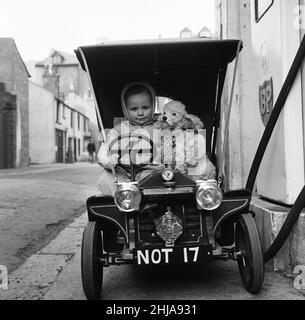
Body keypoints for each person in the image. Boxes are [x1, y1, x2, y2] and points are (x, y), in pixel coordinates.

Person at [96, 82, 161, 196]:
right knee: (107, 178)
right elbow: (106, 148)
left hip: (149, 170)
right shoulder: (118, 130)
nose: (140, 113)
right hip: (122, 170)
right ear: (125, 109)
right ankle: (123, 201)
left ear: (153, 106)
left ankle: (148, 205)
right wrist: (108, 158)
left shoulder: (160, 127)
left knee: (155, 180)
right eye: (134, 109)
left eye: (145, 107)